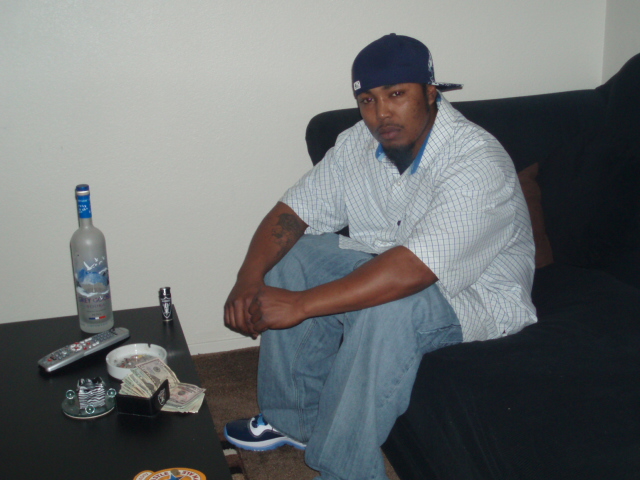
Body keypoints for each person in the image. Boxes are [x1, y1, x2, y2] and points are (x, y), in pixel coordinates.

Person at [223, 33, 537, 480]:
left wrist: (300, 305)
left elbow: (414, 272)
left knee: (389, 307)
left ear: (431, 93)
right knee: (297, 255)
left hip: (472, 297)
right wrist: (248, 279)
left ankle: (345, 470)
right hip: (389, 265)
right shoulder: (357, 143)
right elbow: (293, 214)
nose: (381, 113)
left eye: (396, 94)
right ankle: (294, 420)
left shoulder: (475, 160)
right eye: (368, 100)